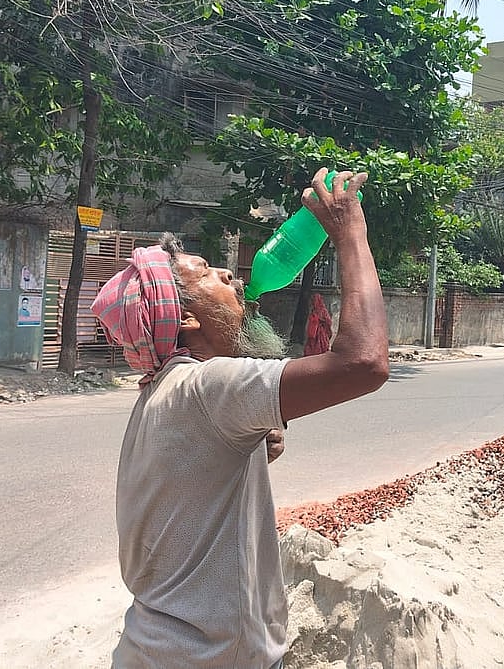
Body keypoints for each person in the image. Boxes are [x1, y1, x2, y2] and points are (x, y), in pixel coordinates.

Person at [90, 168, 388, 668]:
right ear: (185, 319)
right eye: (206, 272)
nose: (231, 275)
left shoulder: (167, 392)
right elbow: (364, 363)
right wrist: (350, 232)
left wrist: (250, 442)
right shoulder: (210, 388)